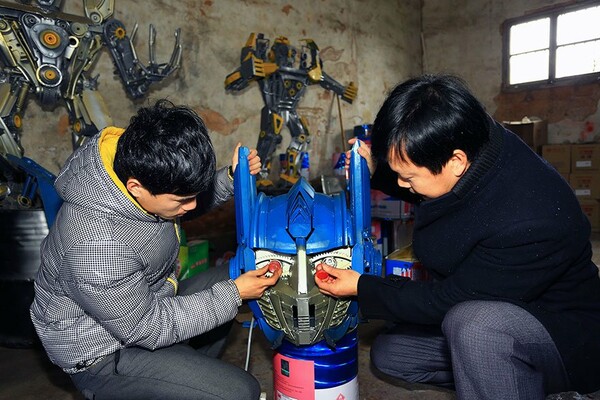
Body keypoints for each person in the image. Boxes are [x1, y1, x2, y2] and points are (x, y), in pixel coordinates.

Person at [315, 74, 600, 399]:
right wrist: (375, 171)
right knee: (392, 354)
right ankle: (503, 377)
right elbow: (430, 181)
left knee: (474, 328)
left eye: (407, 177)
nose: (402, 184)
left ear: (456, 161)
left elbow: (449, 299)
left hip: (562, 335)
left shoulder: (531, 219)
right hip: (501, 303)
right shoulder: (471, 136)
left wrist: (362, 286)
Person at [30, 99, 282, 400]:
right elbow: (148, 326)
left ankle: (187, 381)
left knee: (232, 274)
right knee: (240, 391)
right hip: (102, 350)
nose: (190, 207)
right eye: (181, 201)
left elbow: (180, 198)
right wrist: (234, 294)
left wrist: (230, 179)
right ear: (136, 187)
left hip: (147, 300)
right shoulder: (96, 249)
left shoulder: (135, 163)